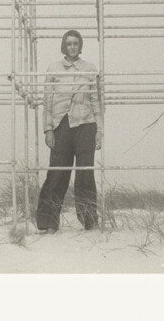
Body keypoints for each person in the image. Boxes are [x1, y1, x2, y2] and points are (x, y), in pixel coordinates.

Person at [36, 30, 102, 233]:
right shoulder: (53, 69)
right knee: (57, 173)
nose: (72, 47)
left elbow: (96, 101)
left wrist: (99, 130)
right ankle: (49, 223)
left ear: (80, 46)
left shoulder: (90, 69)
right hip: (60, 126)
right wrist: (48, 130)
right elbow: (47, 102)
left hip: (85, 124)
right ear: (64, 46)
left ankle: (90, 221)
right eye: (69, 44)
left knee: (85, 174)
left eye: (76, 43)